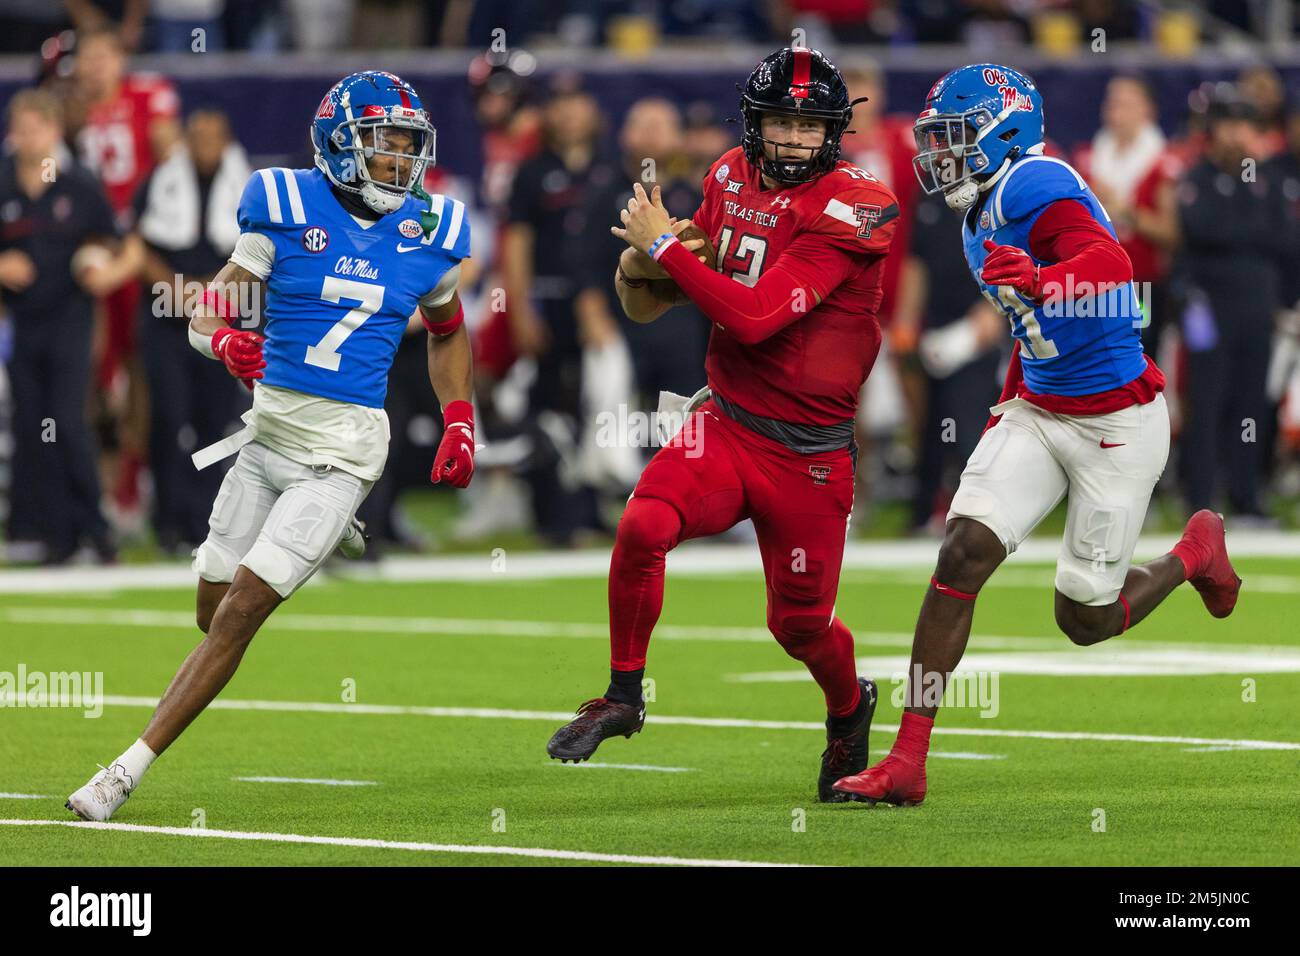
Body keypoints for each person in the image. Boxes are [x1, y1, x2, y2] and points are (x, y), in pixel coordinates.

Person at [66, 71, 477, 822]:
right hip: (265, 439)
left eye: (408, 148)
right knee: (211, 607)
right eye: (384, 145)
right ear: (339, 146)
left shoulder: (431, 229)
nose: (399, 163)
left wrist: (460, 417)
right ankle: (336, 531)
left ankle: (122, 772)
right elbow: (202, 314)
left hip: (344, 449)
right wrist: (223, 338)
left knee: (242, 612)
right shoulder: (284, 207)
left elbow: (448, 332)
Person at [833, 64, 1242, 808]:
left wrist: (1044, 279)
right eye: (938, 142)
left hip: (1118, 422)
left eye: (955, 140)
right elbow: (1031, 327)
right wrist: (1016, 394)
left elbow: (1113, 266)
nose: (940, 157)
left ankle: (1194, 551)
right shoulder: (975, 211)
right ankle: (907, 759)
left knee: (1085, 619)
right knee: (962, 550)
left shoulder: (1035, 181)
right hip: (1043, 409)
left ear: (1004, 132)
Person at [545, 48, 901, 803]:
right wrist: (649, 269)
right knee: (642, 526)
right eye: (783, 121)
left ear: (835, 132)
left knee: (798, 627)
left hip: (807, 452)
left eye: (812, 126)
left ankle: (849, 707)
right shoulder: (729, 175)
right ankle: (622, 694)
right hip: (730, 421)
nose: (797, 140)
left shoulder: (857, 205)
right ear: (755, 122)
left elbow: (757, 315)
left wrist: (664, 247)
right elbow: (679, 286)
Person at [0, 89, 140, 564]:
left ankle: (96, 531)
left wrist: (103, 270)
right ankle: (51, 533)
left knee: (65, 421)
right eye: (17, 127)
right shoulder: (4, 181)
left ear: (53, 130)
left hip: (70, 319)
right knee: (30, 422)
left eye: (32, 127)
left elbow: (122, 244)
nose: (22, 137)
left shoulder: (78, 183)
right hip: (21, 322)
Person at [73, 24, 180, 521]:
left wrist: (146, 224)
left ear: (120, 57)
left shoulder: (149, 96)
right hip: (90, 248)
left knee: (141, 371)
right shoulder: (71, 107)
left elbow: (169, 156)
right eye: (87, 57)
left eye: (102, 54)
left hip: (137, 250)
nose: (94, 66)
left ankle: (131, 485)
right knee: (93, 371)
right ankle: (98, 484)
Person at [133, 108, 251, 553]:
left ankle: (205, 522)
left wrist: (215, 293)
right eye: (195, 135)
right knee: (169, 418)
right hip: (167, 317)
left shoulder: (248, 186)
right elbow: (136, 245)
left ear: (225, 141)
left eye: (211, 136)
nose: (203, 145)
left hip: (223, 321)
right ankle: (167, 521)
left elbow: (259, 250)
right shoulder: (162, 179)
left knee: (214, 421)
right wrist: (176, 288)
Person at [1176, 95, 1292, 519]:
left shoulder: (1266, 178)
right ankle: (1200, 501)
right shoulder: (1197, 178)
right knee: (1206, 402)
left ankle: (1246, 498)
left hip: (1257, 307)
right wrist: (1248, 233)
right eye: (1228, 125)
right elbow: (1201, 228)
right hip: (1207, 307)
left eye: (1243, 126)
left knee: (1250, 404)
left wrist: (1237, 233)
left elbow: (1284, 237)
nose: (1235, 135)